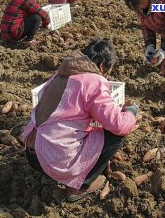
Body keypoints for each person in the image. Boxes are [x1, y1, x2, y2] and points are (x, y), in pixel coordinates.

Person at [22, 39, 138, 201]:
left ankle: (51, 175)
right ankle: (78, 187)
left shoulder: (63, 72)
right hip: (56, 159)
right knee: (115, 136)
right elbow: (118, 125)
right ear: (103, 67)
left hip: (33, 153)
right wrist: (131, 112)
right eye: (108, 71)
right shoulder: (94, 81)